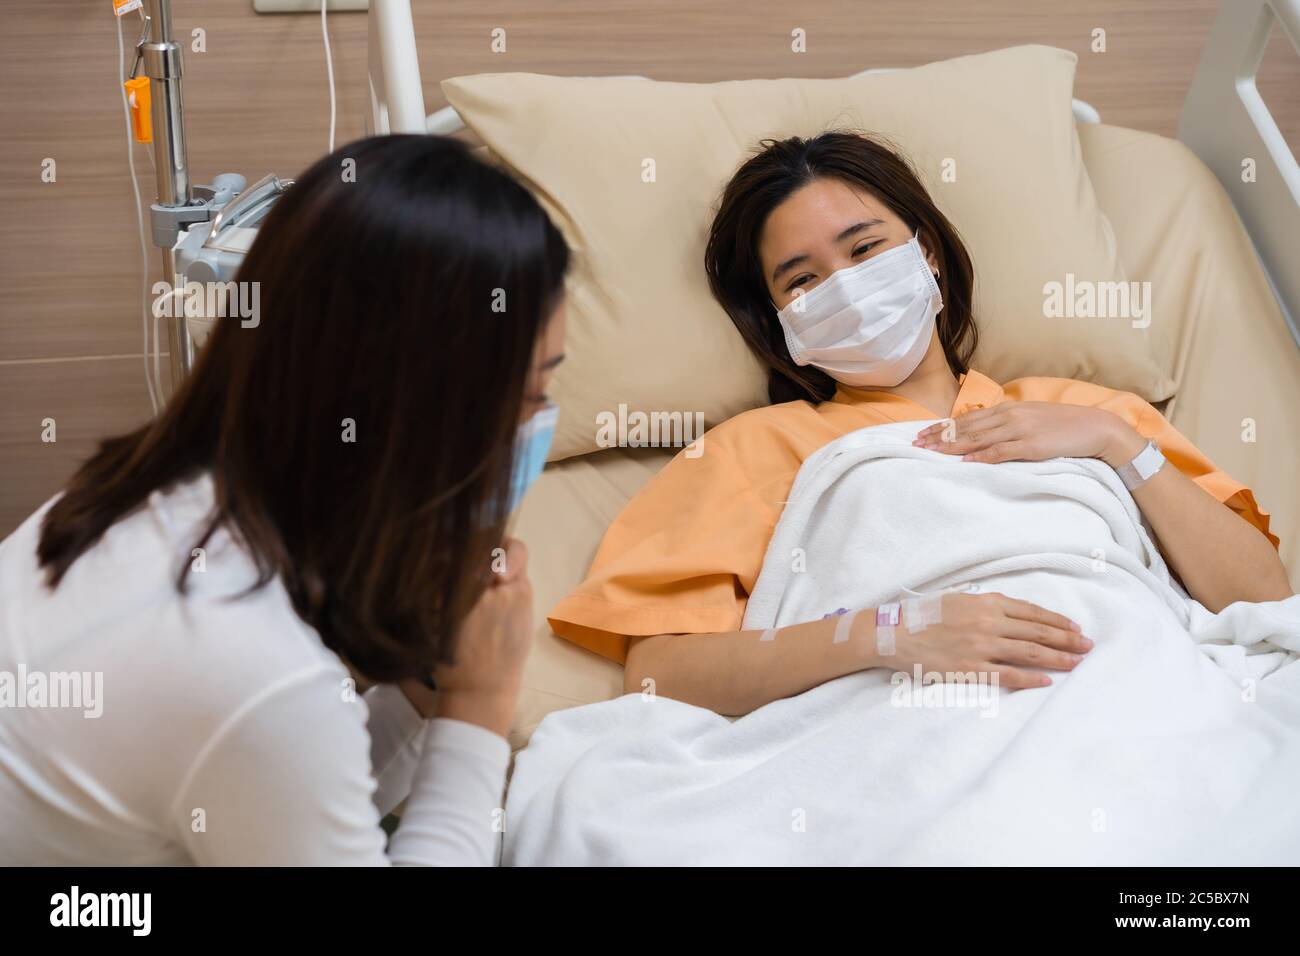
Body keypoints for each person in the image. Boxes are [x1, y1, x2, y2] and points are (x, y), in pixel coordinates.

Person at [548, 130, 1291, 716]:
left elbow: (1261, 599)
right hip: (910, 722)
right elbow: (660, 675)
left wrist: (1117, 446)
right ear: (783, 324)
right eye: (802, 279)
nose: (845, 286)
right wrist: (888, 635)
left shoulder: (1092, 412)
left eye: (865, 248)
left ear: (926, 255)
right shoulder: (753, 449)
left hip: (1141, 696)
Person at [0, 134, 568, 864]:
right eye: (532, 395)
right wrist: (478, 709)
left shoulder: (143, 501)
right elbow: (269, 728)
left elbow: (279, 799)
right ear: (411, 416)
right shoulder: (246, 659)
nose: (540, 424)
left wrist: (422, 695)